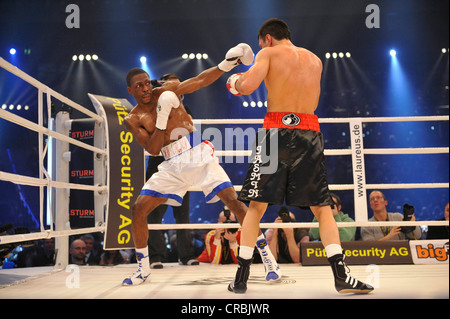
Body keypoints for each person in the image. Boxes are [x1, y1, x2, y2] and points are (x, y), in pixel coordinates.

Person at [226, 18, 373, 294]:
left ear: (268, 39)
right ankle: (341, 276)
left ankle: (241, 278)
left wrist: (234, 80)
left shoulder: (267, 53)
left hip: (275, 133)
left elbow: (247, 87)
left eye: (261, 43)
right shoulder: (315, 59)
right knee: (322, 209)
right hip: (308, 133)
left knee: (256, 207)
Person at [122, 43, 281, 286]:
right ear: (130, 90)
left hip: (196, 152)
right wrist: (163, 119)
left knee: (235, 203)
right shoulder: (132, 119)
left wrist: (225, 65)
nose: (146, 88)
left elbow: (199, 81)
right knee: (138, 209)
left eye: (147, 82)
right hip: (169, 164)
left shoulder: (165, 90)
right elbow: (153, 149)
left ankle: (269, 261)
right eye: (139, 85)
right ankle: (143, 269)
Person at [146, 73, 198, 269]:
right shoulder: (151, 108)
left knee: (183, 213)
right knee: (154, 212)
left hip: (180, 163)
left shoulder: (186, 109)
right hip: (158, 162)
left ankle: (185, 255)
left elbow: (188, 132)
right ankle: (155, 257)